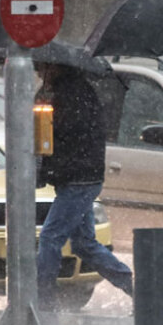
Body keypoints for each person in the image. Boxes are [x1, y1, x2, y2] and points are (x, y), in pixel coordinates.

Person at [34, 61, 133, 311]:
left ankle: (41, 300)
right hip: (78, 177)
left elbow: (61, 135)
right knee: (84, 244)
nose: (38, 72)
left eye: (41, 67)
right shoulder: (67, 92)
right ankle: (137, 289)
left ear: (56, 68)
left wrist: (46, 111)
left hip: (79, 179)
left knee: (50, 237)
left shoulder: (72, 95)